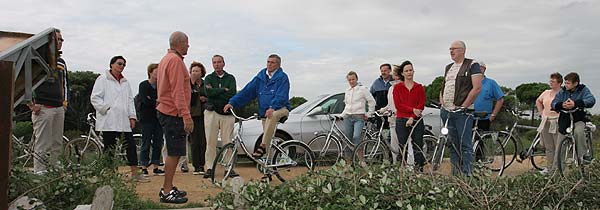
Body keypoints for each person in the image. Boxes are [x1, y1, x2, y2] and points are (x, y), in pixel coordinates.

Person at [224, 54, 291, 161]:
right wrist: (232, 102)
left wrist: (272, 107)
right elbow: (247, 91)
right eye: (268, 62)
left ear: (278, 65)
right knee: (268, 137)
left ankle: (263, 146)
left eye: (272, 62)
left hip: (281, 109)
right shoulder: (260, 78)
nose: (269, 64)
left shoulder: (282, 78)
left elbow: (281, 96)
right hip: (265, 113)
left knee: (272, 117)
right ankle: (267, 170)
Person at [91, 56, 147, 183]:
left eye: (124, 65)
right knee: (110, 148)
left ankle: (135, 173)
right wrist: (106, 109)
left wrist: (132, 116)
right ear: (112, 64)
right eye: (119, 63)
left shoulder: (125, 82)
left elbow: (129, 100)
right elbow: (95, 97)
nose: (121, 66)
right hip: (108, 120)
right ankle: (110, 175)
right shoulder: (102, 79)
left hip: (123, 120)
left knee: (131, 146)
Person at [155, 31, 192, 203]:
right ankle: (166, 190)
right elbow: (177, 92)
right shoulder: (175, 61)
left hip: (167, 110)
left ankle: (168, 187)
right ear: (179, 43)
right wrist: (186, 116)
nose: (188, 46)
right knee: (174, 152)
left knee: (174, 151)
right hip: (173, 112)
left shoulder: (166, 59)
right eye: (186, 43)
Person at [439, 40, 482, 175]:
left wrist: (464, 106)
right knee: (452, 144)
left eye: (454, 48)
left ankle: (467, 174)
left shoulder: (472, 65)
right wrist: (442, 102)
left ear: (462, 50)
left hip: (463, 112)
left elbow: (477, 87)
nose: (451, 51)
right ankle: (456, 175)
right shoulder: (448, 67)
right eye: (450, 49)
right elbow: (444, 85)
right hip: (447, 111)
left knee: (465, 144)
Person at [28, 29, 68, 174]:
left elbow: (65, 83)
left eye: (62, 40)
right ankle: (40, 172)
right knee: (42, 143)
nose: (60, 42)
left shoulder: (61, 62)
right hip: (43, 107)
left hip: (58, 107)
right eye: (57, 39)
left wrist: (64, 103)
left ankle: (54, 169)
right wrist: (31, 103)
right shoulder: (38, 58)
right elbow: (26, 81)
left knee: (57, 143)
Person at [203, 55, 237, 179]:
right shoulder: (209, 78)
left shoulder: (230, 78)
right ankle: (210, 168)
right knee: (210, 141)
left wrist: (217, 91)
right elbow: (208, 93)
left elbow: (232, 93)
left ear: (223, 63)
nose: (216, 64)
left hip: (227, 113)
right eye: (214, 62)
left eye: (219, 62)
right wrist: (223, 89)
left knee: (227, 141)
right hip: (212, 112)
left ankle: (229, 168)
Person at [551, 72, 596, 165]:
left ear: (575, 83)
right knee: (560, 146)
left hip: (578, 118)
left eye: (568, 83)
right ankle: (555, 172)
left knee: (578, 132)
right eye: (565, 83)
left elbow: (591, 100)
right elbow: (554, 102)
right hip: (564, 119)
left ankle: (583, 156)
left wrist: (576, 103)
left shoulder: (583, 90)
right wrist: (561, 105)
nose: (565, 85)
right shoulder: (562, 91)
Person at [392, 60, 426, 171]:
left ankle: (418, 172)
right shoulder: (397, 88)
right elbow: (398, 105)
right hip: (401, 120)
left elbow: (421, 105)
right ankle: (403, 173)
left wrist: (412, 117)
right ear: (402, 73)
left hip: (416, 120)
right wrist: (412, 110)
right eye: (406, 71)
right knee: (403, 147)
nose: (409, 73)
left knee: (418, 147)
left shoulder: (419, 87)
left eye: (410, 70)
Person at [138, 63, 165, 176]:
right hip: (146, 119)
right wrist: (156, 101)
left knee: (158, 142)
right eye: (156, 71)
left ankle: (155, 166)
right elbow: (145, 100)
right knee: (146, 142)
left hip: (159, 118)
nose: (158, 74)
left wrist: (155, 101)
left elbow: (164, 99)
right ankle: (144, 166)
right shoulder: (143, 85)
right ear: (150, 72)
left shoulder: (162, 86)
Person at [340, 71, 376, 157]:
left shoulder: (363, 89)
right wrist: (341, 116)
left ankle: (361, 160)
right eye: (349, 80)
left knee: (356, 137)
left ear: (357, 79)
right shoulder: (347, 91)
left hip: (359, 117)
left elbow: (372, 102)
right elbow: (347, 106)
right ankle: (348, 162)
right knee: (347, 140)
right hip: (348, 117)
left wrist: (369, 113)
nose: (351, 81)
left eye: (353, 79)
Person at [535, 72, 562, 174]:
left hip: (557, 121)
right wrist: (541, 112)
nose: (551, 82)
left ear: (559, 83)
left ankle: (557, 168)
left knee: (557, 146)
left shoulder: (563, 93)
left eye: (553, 81)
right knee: (548, 147)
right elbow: (538, 101)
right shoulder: (546, 92)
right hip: (546, 121)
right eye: (550, 80)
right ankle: (549, 167)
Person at [189, 61, 208, 175]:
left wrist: (205, 98)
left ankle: (203, 164)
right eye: (193, 71)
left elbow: (212, 95)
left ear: (202, 72)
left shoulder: (207, 84)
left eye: (197, 71)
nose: (195, 73)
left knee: (204, 141)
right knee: (194, 141)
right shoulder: (188, 84)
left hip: (206, 114)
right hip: (193, 115)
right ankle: (196, 166)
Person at [473, 62, 504, 130]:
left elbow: (500, 99)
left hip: (485, 119)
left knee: (481, 139)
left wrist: (493, 115)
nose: (478, 70)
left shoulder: (491, 83)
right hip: (469, 118)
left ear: (484, 69)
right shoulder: (470, 82)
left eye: (480, 68)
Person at [370, 63, 394, 131]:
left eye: (385, 70)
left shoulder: (394, 81)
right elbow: (371, 97)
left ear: (390, 71)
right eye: (382, 71)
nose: (383, 72)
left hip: (391, 112)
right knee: (381, 133)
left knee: (391, 132)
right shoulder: (376, 82)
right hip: (380, 112)